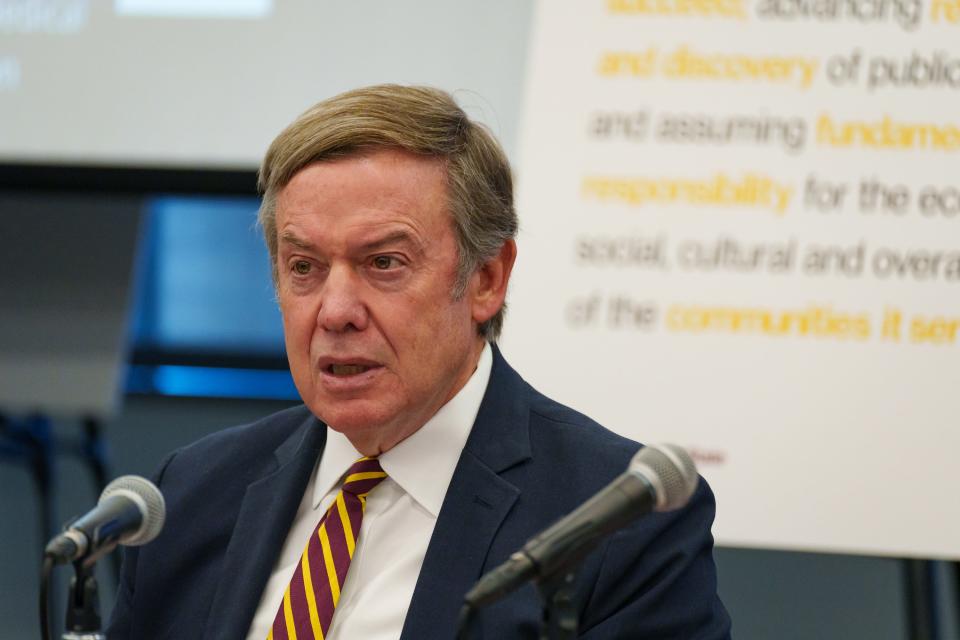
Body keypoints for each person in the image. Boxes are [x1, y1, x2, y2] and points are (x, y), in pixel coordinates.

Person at [107, 84, 731, 639]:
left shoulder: (617, 521)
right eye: (305, 268)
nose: (335, 311)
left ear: (487, 278)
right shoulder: (187, 496)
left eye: (384, 263)